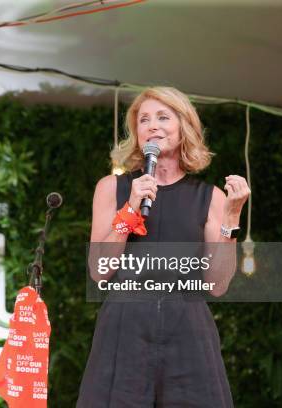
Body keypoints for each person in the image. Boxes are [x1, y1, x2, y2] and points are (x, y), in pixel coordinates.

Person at [77, 86, 250, 407]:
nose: (152, 126)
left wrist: (232, 216)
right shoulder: (112, 188)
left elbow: (218, 284)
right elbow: (100, 271)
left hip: (187, 327)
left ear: (184, 127)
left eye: (163, 117)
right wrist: (129, 209)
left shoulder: (210, 197)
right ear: (137, 133)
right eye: (143, 120)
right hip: (124, 326)